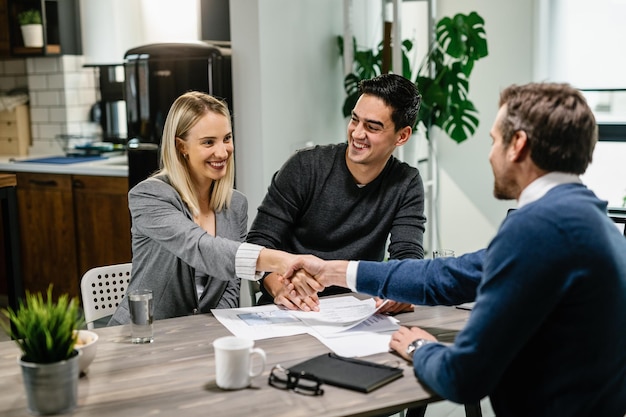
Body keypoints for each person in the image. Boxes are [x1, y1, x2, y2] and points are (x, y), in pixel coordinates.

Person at [286, 82, 626, 417]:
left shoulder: (540, 228)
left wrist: (420, 348)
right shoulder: (587, 219)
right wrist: (337, 270)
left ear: (517, 145)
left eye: (494, 141)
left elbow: (463, 377)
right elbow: (450, 275)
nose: (490, 154)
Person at [109, 92, 322, 325]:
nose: (222, 152)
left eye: (227, 138)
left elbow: (230, 289)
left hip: (199, 339)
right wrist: (280, 260)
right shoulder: (150, 196)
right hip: (144, 335)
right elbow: (200, 247)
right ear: (181, 146)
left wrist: (212, 332)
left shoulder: (236, 205)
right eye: (208, 142)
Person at [246, 73, 427, 313]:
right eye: (355, 120)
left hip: (358, 312)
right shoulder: (305, 167)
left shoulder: (406, 182)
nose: (357, 133)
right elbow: (258, 244)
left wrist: (401, 289)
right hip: (290, 310)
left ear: (402, 136)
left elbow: (407, 254)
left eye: (372, 127)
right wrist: (278, 287)